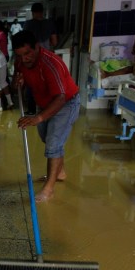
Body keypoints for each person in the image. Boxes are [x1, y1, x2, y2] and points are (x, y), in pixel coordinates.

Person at [12, 30, 80, 203]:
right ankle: (60, 172)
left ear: (36, 47)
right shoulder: (20, 61)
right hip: (45, 104)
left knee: (53, 143)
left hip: (65, 103)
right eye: (20, 55)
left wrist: (39, 118)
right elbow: (17, 79)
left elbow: (61, 97)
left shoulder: (50, 63)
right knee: (48, 139)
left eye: (27, 53)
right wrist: (18, 82)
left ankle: (49, 189)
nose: (24, 59)